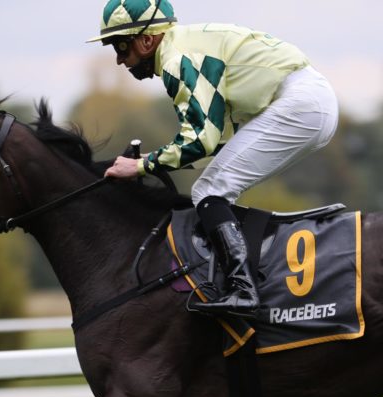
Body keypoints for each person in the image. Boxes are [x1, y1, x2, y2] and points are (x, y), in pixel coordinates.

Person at [89, 0, 339, 319]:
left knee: (209, 192)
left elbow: (199, 140)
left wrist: (140, 165)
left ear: (147, 40)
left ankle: (244, 290)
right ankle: (241, 277)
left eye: (120, 46)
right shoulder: (186, 46)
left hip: (301, 105)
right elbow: (216, 145)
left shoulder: (176, 59)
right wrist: (155, 162)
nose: (119, 60)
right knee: (214, 186)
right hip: (308, 101)